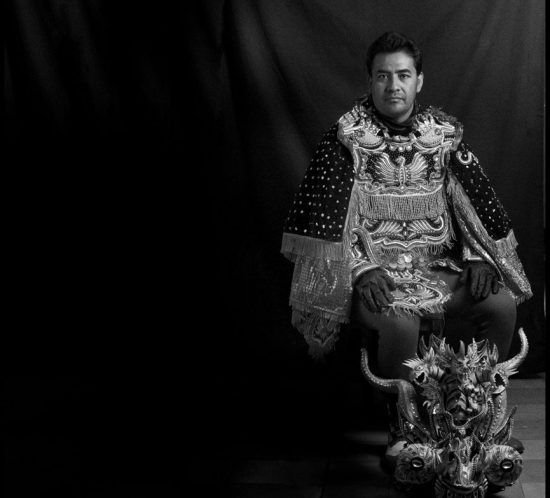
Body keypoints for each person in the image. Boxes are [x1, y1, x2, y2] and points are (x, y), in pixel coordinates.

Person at [281, 32, 532, 466]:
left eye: (402, 75)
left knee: (501, 304)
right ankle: (407, 429)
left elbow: (474, 206)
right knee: (401, 321)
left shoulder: (444, 136)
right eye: (383, 76)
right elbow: (327, 223)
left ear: (419, 81)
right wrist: (360, 270)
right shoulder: (346, 139)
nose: (393, 85)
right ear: (370, 81)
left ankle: (480, 421)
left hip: (438, 266)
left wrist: (478, 257)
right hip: (372, 275)